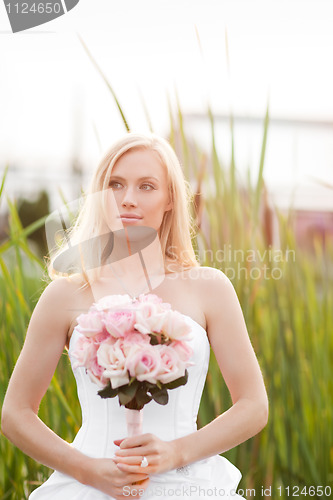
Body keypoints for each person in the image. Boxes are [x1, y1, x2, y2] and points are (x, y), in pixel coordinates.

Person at [1, 132, 269, 499]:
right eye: (115, 184)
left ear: (170, 198)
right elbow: (15, 413)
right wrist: (88, 469)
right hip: (90, 486)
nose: (127, 199)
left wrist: (177, 452)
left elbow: (254, 406)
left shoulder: (211, 288)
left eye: (146, 186)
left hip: (189, 485)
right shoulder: (64, 294)